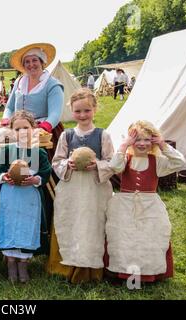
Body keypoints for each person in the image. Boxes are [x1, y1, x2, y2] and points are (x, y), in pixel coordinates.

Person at [47, 88, 114, 283]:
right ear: (71, 111)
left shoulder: (103, 135)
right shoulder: (66, 135)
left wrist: (98, 165)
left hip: (94, 188)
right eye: (78, 111)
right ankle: (68, 264)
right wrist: (67, 164)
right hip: (73, 188)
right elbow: (56, 161)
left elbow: (112, 162)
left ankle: (93, 267)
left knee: (93, 223)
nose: (82, 115)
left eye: (87, 110)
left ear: (94, 109)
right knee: (72, 221)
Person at [105, 120, 185, 283]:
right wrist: (124, 146)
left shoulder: (157, 161)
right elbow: (114, 166)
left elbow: (180, 162)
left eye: (147, 139)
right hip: (125, 205)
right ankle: (124, 272)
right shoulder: (125, 159)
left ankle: (148, 272)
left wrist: (163, 145)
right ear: (130, 140)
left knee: (149, 236)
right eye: (137, 139)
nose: (142, 143)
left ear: (153, 141)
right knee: (125, 236)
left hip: (150, 205)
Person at [0, 110, 51, 283]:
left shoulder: (39, 153)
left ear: (33, 129)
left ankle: (23, 264)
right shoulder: (7, 151)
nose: (22, 132)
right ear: (12, 131)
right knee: (10, 226)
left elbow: (45, 172)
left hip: (29, 199)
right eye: (18, 129)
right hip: (10, 197)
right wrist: (4, 176)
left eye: (26, 128)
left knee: (26, 227)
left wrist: (36, 179)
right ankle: (11, 263)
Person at [1, 43, 64, 161]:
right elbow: (9, 107)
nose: (31, 64)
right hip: (19, 131)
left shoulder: (52, 84)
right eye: (27, 62)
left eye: (34, 60)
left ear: (42, 62)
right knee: (15, 165)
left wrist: (42, 128)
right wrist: (6, 121)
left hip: (44, 133)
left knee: (41, 167)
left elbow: (55, 114)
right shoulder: (19, 82)